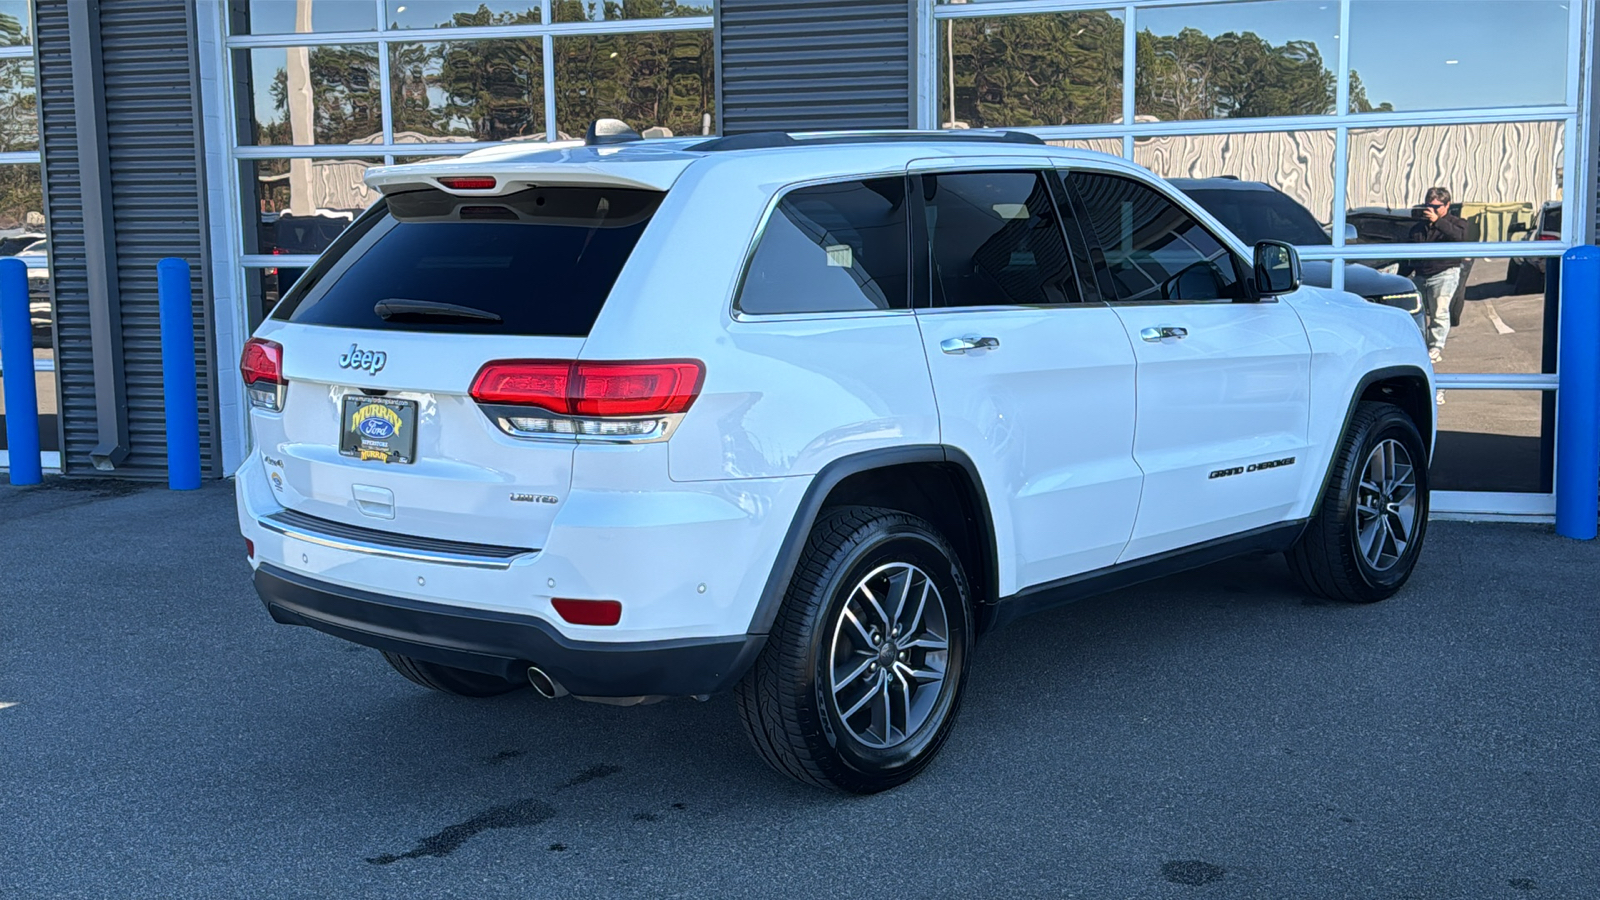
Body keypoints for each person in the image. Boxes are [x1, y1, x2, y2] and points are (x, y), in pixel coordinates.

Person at [1402, 187, 1470, 364]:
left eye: (1436, 207)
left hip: (1445, 272)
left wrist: (1438, 221)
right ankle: (1419, 345)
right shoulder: (1418, 228)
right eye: (1428, 206)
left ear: (1447, 205)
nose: (1431, 210)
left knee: (1440, 310)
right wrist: (1401, 276)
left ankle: (1436, 346)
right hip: (1421, 274)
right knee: (1416, 311)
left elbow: (1460, 237)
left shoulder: (1457, 223)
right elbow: (1409, 255)